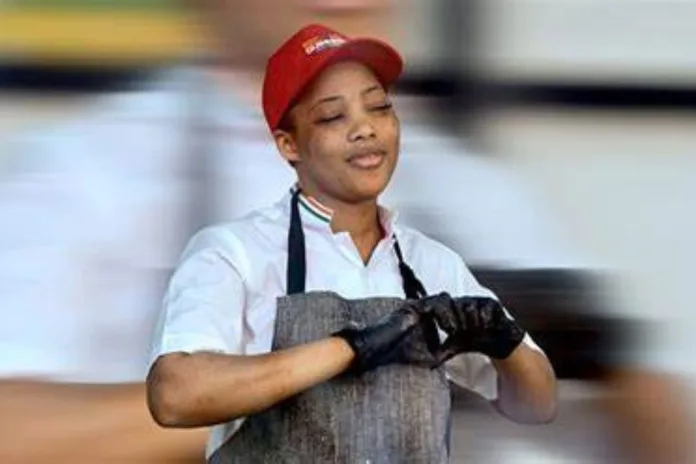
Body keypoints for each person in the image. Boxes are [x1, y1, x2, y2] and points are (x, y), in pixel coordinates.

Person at [146, 23, 557, 463]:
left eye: (379, 107)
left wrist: (504, 337)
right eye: (332, 116)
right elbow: (175, 395)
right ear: (289, 144)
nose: (365, 128)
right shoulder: (235, 253)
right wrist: (353, 348)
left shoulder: (431, 264)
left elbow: (537, 405)